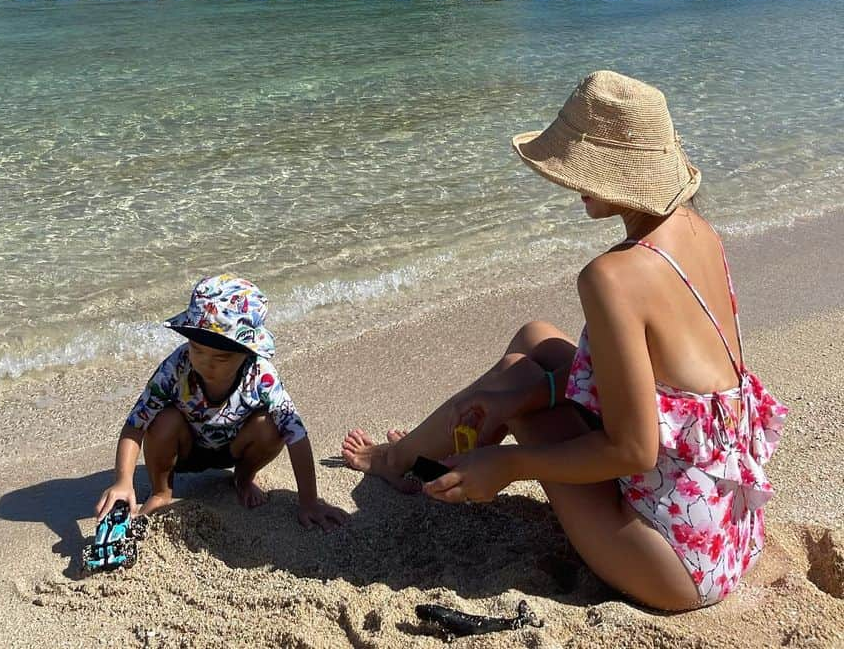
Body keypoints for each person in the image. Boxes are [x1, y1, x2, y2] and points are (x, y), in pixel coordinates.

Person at [342, 71, 787, 610]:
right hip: (729, 522)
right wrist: (523, 396)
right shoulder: (698, 232)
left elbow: (633, 449)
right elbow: (669, 395)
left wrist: (511, 464)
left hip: (678, 559)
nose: (573, 184)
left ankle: (411, 463)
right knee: (535, 341)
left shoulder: (613, 277)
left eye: (584, 171)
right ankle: (429, 460)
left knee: (521, 384)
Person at [96, 274, 348, 531]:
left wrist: (309, 501)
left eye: (222, 357)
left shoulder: (261, 374)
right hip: (185, 450)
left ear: (248, 352)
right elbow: (135, 424)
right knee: (162, 420)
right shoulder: (176, 366)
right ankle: (161, 492)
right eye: (198, 349)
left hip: (236, 448)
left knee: (272, 426)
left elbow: (297, 435)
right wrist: (122, 481)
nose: (206, 362)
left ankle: (243, 478)